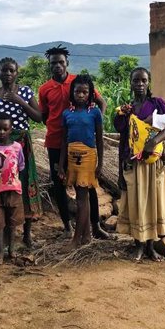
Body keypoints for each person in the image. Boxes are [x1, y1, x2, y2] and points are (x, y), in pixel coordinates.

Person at [38, 45, 110, 239]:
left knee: (87, 185)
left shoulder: (78, 82)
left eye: (61, 62)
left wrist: (93, 123)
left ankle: (95, 226)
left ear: (67, 63)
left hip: (82, 144)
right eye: (54, 63)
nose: (58, 66)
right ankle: (68, 227)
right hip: (56, 143)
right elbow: (44, 115)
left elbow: (101, 102)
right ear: (49, 65)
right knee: (59, 184)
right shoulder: (44, 89)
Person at [114, 67, 165, 261]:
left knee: (153, 202)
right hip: (133, 163)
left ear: (148, 82)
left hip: (153, 162)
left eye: (143, 80)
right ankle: (138, 246)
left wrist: (153, 142)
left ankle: (150, 246)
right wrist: (119, 169)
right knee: (137, 203)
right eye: (136, 81)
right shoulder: (127, 110)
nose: (139, 84)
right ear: (130, 83)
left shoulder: (157, 104)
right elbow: (124, 139)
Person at [0, 57, 42, 248]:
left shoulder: (25, 92)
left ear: (16, 73)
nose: (7, 74)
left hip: (21, 147)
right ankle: (6, 236)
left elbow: (39, 117)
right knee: (3, 189)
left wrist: (20, 102)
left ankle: (26, 233)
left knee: (24, 185)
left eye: (11, 70)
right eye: (4, 70)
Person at [58, 74, 104, 249]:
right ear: (72, 93)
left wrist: (100, 164)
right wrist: (61, 165)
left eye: (85, 92)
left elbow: (99, 140)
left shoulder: (94, 112)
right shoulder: (66, 114)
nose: (81, 95)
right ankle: (86, 236)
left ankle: (77, 239)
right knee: (80, 196)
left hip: (88, 157)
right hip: (71, 156)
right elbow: (63, 140)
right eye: (78, 91)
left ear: (90, 93)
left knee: (82, 198)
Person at [0, 113, 25, 265]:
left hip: (14, 190)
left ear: (10, 129)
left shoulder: (17, 147)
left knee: (12, 222)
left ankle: (12, 249)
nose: (1, 132)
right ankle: (0, 251)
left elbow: (21, 165)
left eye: (5, 129)